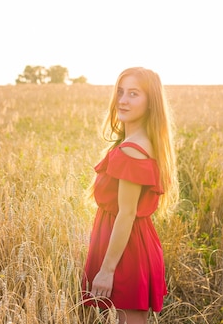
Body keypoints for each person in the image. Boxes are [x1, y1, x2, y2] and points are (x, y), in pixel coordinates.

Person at [82, 67, 178, 324]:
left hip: (127, 253)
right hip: (129, 245)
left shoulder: (133, 149)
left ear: (150, 103)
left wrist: (107, 270)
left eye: (133, 94)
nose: (122, 100)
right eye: (120, 92)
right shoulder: (139, 141)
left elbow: (126, 213)